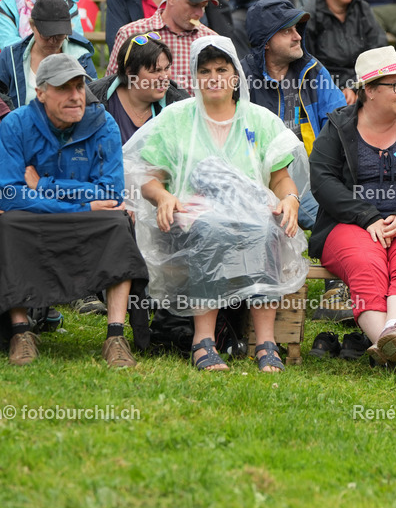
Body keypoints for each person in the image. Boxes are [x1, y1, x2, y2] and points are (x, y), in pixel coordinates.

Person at [125, 35, 307, 372]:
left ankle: (266, 343)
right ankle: (203, 342)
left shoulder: (260, 120)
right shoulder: (176, 119)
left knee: (268, 228)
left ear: (235, 76)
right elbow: (147, 176)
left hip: (251, 220)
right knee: (210, 229)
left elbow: (279, 178)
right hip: (189, 222)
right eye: (205, 70)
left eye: (221, 69)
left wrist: (290, 199)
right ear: (195, 77)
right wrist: (163, 196)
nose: (213, 77)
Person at [0, 53, 148, 367]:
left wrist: (44, 185)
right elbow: (7, 192)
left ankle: (115, 335)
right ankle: (21, 331)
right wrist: (82, 202)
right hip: (45, 217)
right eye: (64, 88)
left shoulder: (103, 123)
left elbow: (111, 193)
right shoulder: (16, 123)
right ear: (41, 93)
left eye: (79, 87)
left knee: (117, 222)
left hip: (81, 214)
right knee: (9, 224)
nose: (76, 96)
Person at [308, 46, 396, 371]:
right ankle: (395, 343)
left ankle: (390, 337)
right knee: (364, 261)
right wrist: (366, 215)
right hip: (349, 223)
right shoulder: (340, 127)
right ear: (369, 90)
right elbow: (322, 180)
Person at [242, 0, 346, 229]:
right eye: (287, 31)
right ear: (266, 42)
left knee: (343, 217)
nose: (298, 36)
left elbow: (341, 126)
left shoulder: (314, 72)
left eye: (297, 29)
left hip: (313, 177)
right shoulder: (240, 80)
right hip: (261, 181)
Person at [107, 0, 218, 93]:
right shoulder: (131, 33)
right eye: (193, 5)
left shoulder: (211, 40)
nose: (199, 13)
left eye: (203, 7)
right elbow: (112, 87)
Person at [303, 0, 388, 102]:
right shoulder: (310, 15)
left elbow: (378, 52)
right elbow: (307, 66)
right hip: (323, 92)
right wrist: (338, 89)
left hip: (364, 87)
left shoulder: (363, 10)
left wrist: (356, 88)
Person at [0, 0, 97, 108]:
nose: (53, 41)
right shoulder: (10, 57)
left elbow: (93, 105)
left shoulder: (81, 57)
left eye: (59, 35)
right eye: (46, 35)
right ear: (32, 26)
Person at [90, 32, 189, 144]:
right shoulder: (93, 97)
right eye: (155, 71)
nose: (164, 77)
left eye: (166, 68)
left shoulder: (180, 104)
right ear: (130, 72)